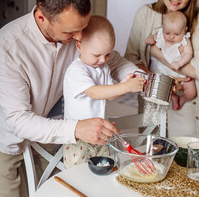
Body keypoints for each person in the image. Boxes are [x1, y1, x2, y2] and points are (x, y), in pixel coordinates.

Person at [0, 0, 138, 197]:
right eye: (70, 32)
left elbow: (115, 61)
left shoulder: (77, 31)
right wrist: (77, 128)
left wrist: (138, 77)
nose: (80, 37)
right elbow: (19, 120)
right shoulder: (9, 46)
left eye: (84, 26)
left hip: (46, 127)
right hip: (1, 131)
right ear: (42, 18)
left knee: (50, 192)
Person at [125, 0, 199, 137]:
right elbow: (130, 59)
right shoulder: (146, 13)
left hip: (184, 95)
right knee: (152, 147)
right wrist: (157, 79)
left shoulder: (198, 18)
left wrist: (157, 53)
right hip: (152, 94)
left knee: (184, 149)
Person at [62, 15, 145, 168]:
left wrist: (125, 83)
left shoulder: (102, 67)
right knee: (77, 174)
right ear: (79, 46)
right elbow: (94, 92)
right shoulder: (76, 70)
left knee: (104, 169)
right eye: (97, 55)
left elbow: (110, 95)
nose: (103, 60)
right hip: (78, 137)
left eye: (107, 54)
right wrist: (125, 87)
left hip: (100, 134)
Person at [148, 11, 196, 110]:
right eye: (167, 33)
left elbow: (189, 54)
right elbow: (151, 38)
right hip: (164, 70)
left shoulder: (185, 40)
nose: (171, 37)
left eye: (176, 34)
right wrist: (150, 39)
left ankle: (182, 99)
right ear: (163, 29)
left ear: (184, 30)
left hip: (180, 70)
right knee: (162, 91)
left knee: (192, 93)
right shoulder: (160, 35)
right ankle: (173, 98)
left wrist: (179, 63)